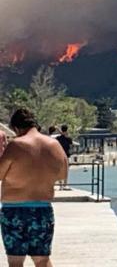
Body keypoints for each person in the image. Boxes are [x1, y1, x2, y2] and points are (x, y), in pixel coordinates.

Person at [0, 108, 68, 267]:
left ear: (16, 128)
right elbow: (62, 174)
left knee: (15, 261)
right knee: (42, 259)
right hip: (42, 209)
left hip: (13, 210)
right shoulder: (54, 144)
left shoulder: (16, 145)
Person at [55, 126, 72, 191]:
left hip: (59, 155)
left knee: (59, 170)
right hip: (66, 156)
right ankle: (65, 185)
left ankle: (60, 185)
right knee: (66, 171)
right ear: (67, 130)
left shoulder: (58, 138)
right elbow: (70, 143)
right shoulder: (68, 138)